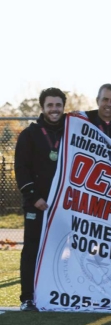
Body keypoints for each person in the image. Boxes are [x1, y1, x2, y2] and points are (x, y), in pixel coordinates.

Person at [14, 88, 67, 311]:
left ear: (64, 106)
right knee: (32, 249)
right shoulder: (29, 134)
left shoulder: (72, 131)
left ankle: (61, 293)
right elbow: (21, 168)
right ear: (43, 107)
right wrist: (34, 197)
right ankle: (28, 297)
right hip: (38, 204)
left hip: (65, 206)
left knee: (64, 249)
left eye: (58, 105)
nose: (54, 110)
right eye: (50, 105)